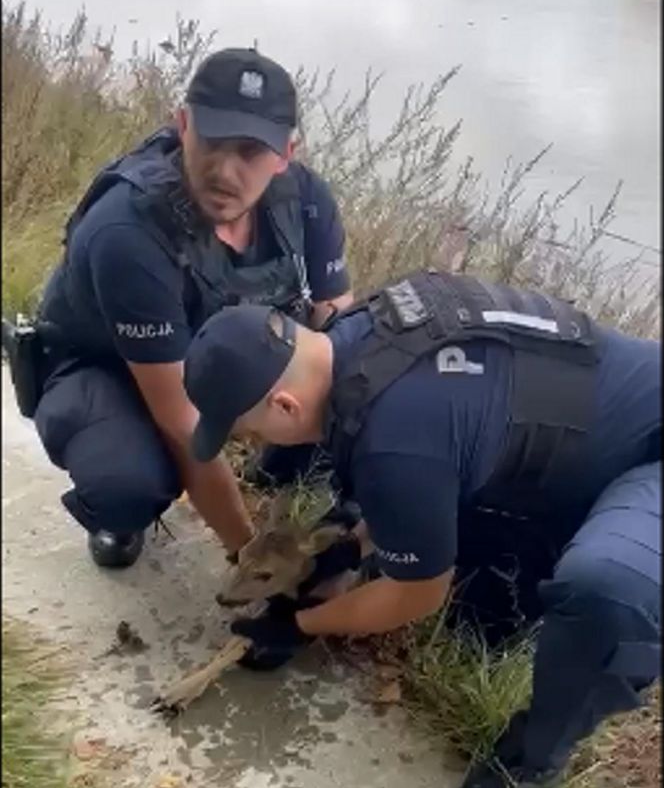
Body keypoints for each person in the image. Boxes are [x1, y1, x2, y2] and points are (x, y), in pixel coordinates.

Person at [182, 269, 661, 787]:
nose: (254, 443)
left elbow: (416, 594)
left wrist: (299, 626)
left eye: (250, 431)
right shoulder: (360, 333)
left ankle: (530, 761)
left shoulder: (394, 438)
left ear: (285, 405)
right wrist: (347, 550)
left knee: (606, 588)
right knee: (482, 621)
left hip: (648, 454)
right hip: (569, 449)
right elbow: (440, 444)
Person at [25, 47, 353, 569]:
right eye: (212, 142)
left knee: (341, 395)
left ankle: (274, 472)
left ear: (286, 153)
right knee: (128, 482)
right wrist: (250, 559)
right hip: (106, 367)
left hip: (210, 356)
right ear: (182, 124)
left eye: (250, 151)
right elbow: (182, 421)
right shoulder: (127, 230)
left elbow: (338, 328)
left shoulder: (307, 200)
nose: (225, 170)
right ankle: (119, 514)